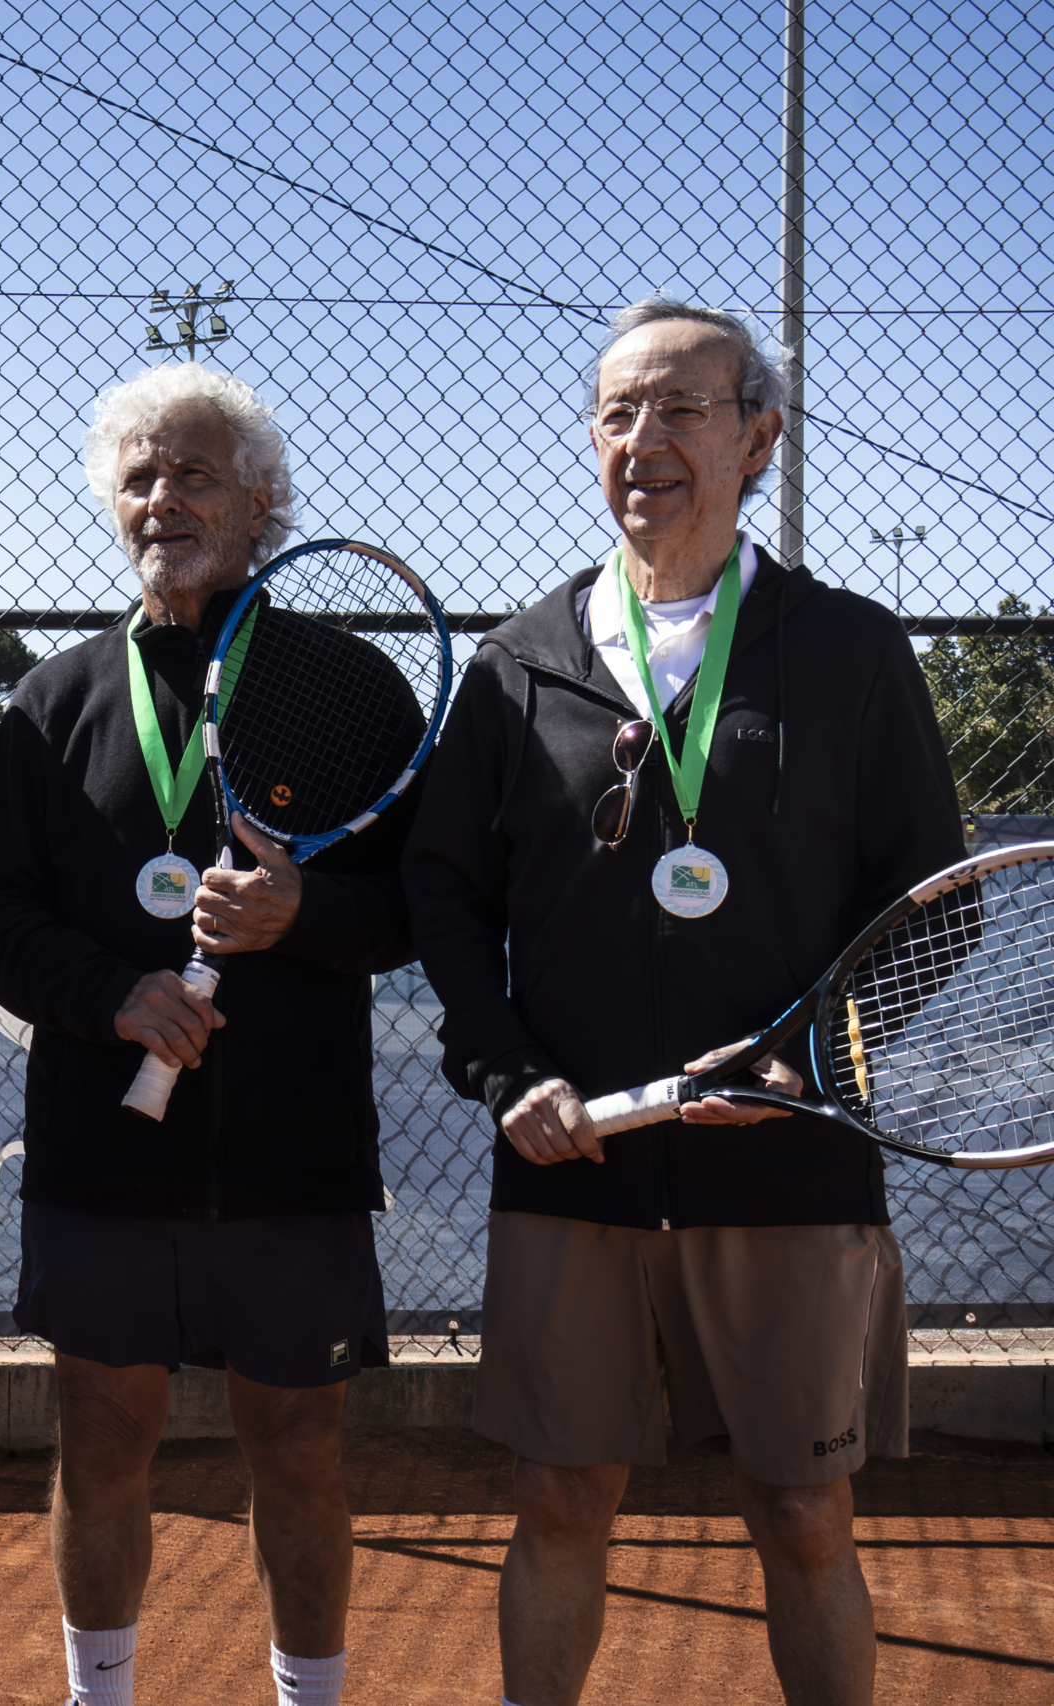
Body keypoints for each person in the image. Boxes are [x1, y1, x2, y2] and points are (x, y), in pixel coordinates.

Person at [403, 300, 964, 1706]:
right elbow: (445, 898)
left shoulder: (848, 649)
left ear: (758, 435)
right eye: (616, 413)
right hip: (573, 1166)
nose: (642, 442)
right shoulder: (519, 660)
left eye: (682, 409)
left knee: (802, 1517)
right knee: (560, 1501)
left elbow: (937, 900)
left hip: (791, 1167)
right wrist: (505, 1071)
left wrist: (820, 1057)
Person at [0, 364, 421, 1706]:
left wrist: (303, 911)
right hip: (108, 1150)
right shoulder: (58, 698)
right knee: (100, 1436)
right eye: (142, 476)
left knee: (303, 1449)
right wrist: (113, 994)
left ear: (263, 501)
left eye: (196, 473)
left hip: (290, 1151)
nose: (164, 500)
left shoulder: (350, 691)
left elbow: (423, 905)